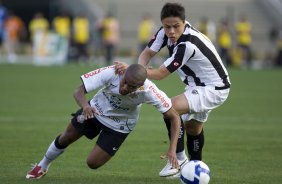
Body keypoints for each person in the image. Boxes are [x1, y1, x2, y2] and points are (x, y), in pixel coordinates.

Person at [115, 2, 230, 178]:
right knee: (193, 127)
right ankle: (195, 170)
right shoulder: (164, 32)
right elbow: (146, 54)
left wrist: (132, 72)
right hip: (197, 85)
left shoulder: (188, 44)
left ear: (185, 22)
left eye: (176, 26)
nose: (171, 31)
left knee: (170, 107)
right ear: (162, 24)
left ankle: (178, 159)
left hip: (214, 89)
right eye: (167, 26)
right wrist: (137, 75)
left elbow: (160, 74)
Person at [26, 64, 180, 179]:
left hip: (120, 125)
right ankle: (42, 165)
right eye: (125, 82)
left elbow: (174, 117)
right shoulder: (113, 71)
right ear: (124, 73)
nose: (125, 88)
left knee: (93, 163)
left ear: (140, 86)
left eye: (131, 87)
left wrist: (173, 149)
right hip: (95, 110)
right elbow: (78, 91)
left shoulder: (149, 91)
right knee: (66, 136)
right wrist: (85, 106)